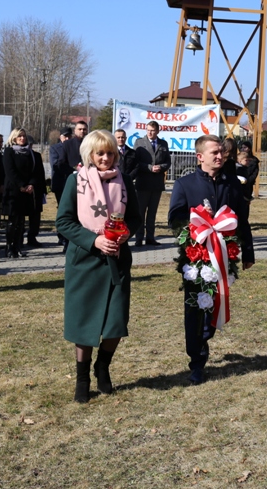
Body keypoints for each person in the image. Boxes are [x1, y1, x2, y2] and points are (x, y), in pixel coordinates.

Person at [56, 130, 140, 403]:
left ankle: (102, 366)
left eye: (110, 153)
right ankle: (82, 378)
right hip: (85, 260)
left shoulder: (124, 181)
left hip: (117, 260)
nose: (106, 158)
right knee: (84, 322)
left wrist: (125, 234)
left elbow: (135, 218)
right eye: (100, 153)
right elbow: (64, 222)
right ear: (90, 155)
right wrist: (95, 241)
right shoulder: (75, 180)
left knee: (116, 322)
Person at [168, 134, 255, 384]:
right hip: (196, 257)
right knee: (195, 308)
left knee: (215, 304)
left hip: (224, 255)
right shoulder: (185, 184)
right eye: (214, 152)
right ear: (200, 157)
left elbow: (242, 219)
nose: (220, 156)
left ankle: (205, 339)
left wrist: (248, 251)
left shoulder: (232, 183)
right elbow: (174, 218)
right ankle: (196, 361)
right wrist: (197, 220)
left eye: (221, 152)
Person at [1, 128, 46, 258]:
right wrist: (21, 185)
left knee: (21, 221)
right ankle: (9, 247)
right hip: (14, 190)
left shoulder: (29, 153)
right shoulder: (9, 151)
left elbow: (36, 171)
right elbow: (10, 171)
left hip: (27, 190)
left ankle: (18, 246)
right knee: (13, 220)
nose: (22, 138)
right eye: (19, 136)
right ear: (14, 138)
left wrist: (31, 185)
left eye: (24, 136)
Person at [134, 120, 171, 247]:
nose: (150, 132)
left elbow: (168, 162)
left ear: (158, 131)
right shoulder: (139, 143)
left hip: (156, 184)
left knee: (152, 213)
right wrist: (149, 167)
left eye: (153, 130)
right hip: (143, 183)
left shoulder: (163, 144)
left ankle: (150, 238)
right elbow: (136, 162)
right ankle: (139, 238)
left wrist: (161, 167)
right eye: (148, 130)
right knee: (140, 212)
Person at [50, 127, 73, 247]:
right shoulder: (55, 148)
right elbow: (56, 164)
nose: (67, 139)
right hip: (60, 183)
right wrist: (73, 168)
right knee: (62, 210)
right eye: (65, 136)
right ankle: (62, 236)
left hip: (73, 183)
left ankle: (70, 237)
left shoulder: (75, 147)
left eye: (69, 136)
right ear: (61, 137)